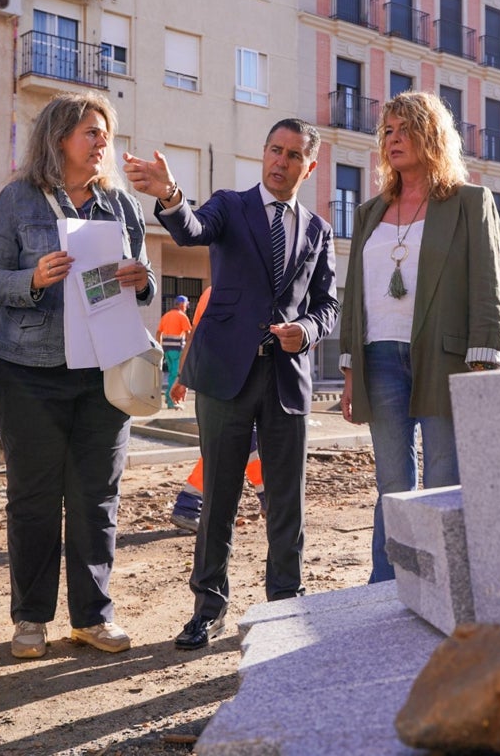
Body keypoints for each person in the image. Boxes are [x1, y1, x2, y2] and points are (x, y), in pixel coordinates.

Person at [124, 118, 340, 651]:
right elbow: (190, 229)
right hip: (226, 373)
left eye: (293, 155)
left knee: (285, 500)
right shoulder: (230, 204)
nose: (280, 161)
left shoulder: (317, 230)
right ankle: (207, 608)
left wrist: (306, 330)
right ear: (263, 153)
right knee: (218, 496)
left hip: (286, 378)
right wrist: (171, 195)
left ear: (308, 166)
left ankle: (285, 605)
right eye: (274, 149)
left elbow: (328, 306)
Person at [0, 91, 155, 661]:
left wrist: (138, 277)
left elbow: (144, 279)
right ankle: (30, 619)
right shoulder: (17, 200)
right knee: (34, 498)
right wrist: (33, 278)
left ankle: (92, 617)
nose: (103, 144)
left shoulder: (120, 206)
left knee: (97, 496)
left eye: (105, 134)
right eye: (92, 134)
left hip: (104, 369)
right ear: (58, 140)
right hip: (27, 371)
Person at [338, 90, 500, 584]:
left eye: (405, 129)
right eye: (387, 131)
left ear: (431, 135)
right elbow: (355, 297)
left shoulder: (470, 202)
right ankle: (386, 585)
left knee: (443, 479)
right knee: (391, 482)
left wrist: (481, 365)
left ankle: (445, 584)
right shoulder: (370, 211)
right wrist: (349, 371)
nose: (393, 139)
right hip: (379, 357)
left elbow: (486, 286)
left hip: (446, 358)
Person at [168, 287, 264, 532]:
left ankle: (188, 504)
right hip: (234, 378)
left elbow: (194, 338)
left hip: (213, 376)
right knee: (244, 439)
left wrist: (183, 375)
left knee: (224, 444)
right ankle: (268, 496)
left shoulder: (210, 292)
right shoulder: (253, 287)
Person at [156, 293, 192, 409]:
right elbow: (189, 334)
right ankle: (172, 400)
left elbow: (158, 333)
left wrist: (159, 346)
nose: (186, 307)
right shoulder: (182, 316)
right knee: (175, 375)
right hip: (177, 350)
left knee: (171, 373)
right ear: (182, 304)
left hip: (166, 349)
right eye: (186, 304)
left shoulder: (166, 316)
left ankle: (168, 397)